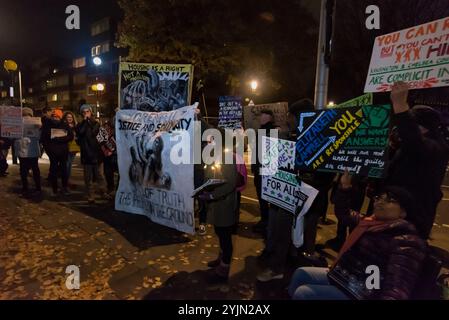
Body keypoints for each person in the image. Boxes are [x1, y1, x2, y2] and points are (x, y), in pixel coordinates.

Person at [288, 170, 427, 300]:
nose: (380, 202)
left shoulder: (407, 242)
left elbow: (397, 289)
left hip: (364, 292)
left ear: (404, 212)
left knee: (304, 293)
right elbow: (344, 214)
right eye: (379, 198)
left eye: (390, 200)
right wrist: (345, 187)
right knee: (301, 273)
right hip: (347, 276)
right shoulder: (370, 222)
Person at [385, 82, 449, 239]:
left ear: (424, 127)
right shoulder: (417, 145)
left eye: (413, 124)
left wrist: (400, 105)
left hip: (411, 220)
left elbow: (413, 140)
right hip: (398, 214)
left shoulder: (434, 147)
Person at [199, 145, 238, 282]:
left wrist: (211, 196)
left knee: (225, 234)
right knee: (219, 232)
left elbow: (230, 183)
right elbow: (209, 176)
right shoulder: (212, 155)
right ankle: (221, 257)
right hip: (216, 205)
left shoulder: (227, 157)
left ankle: (225, 266)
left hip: (224, 204)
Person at [251, 109, 279, 236]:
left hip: (265, 171)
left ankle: (267, 222)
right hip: (262, 170)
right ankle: (267, 221)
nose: (260, 118)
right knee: (263, 198)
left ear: (269, 117)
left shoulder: (272, 131)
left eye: (263, 115)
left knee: (264, 198)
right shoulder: (263, 131)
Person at [75, 104, 106, 203]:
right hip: (86, 154)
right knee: (88, 177)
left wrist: (89, 122)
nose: (86, 113)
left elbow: (94, 132)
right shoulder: (80, 125)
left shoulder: (96, 123)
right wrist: (84, 122)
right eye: (83, 112)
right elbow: (80, 133)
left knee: (99, 175)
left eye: (87, 111)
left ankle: (103, 192)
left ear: (91, 112)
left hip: (97, 153)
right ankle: (90, 195)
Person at [40, 108, 73, 195]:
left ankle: (64, 187)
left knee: (64, 170)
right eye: (53, 116)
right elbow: (43, 139)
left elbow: (70, 136)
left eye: (57, 116)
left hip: (63, 152)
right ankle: (54, 189)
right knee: (53, 170)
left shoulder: (65, 125)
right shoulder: (47, 125)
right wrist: (48, 150)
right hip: (53, 153)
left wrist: (60, 139)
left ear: (60, 117)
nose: (55, 118)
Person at [15, 107, 42, 197]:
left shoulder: (17, 123)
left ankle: (25, 188)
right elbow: (39, 137)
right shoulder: (37, 122)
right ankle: (38, 188)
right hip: (33, 150)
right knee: (35, 170)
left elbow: (11, 136)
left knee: (23, 170)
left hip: (22, 150)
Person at [98, 120, 117, 196]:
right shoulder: (102, 134)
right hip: (106, 156)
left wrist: (112, 151)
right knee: (108, 173)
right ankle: (110, 188)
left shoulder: (116, 133)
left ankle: (116, 189)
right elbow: (100, 143)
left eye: (108, 127)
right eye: (105, 127)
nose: (107, 129)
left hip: (115, 155)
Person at [62, 111, 79, 185]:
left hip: (74, 147)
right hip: (66, 147)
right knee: (67, 164)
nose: (70, 118)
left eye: (71, 117)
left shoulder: (75, 126)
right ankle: (66, 180)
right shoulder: (63, 125)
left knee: (69, 164)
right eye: (68, 117)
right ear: (65, 118)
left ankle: (66, 180)